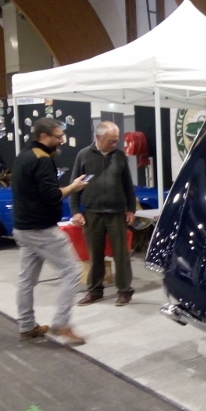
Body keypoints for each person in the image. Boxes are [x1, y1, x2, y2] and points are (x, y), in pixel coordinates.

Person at [12, 118, 88, 345]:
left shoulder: (23, 156)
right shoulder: (42, 160)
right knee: (72, 272)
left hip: (22, 228)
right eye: (58, 137)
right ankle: (61, 324)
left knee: (26, 280)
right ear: (44, 136)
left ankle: (27, 326)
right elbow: (52, 195)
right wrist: (73, 187)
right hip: (41, 229)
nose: (61, 140)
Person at [70, 121, 137, 306]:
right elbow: (74, 186)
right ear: (98, 138)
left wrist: (131, 209)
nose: (115, 144)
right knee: (95, 256)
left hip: (117, 214)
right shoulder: (83, 155)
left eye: (116, 140)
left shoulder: (120, 156)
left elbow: (128, 185)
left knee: (121, 255)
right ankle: (94, 291)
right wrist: (75, 212)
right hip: (92, 214)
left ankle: (124, 291)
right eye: (111, 141)